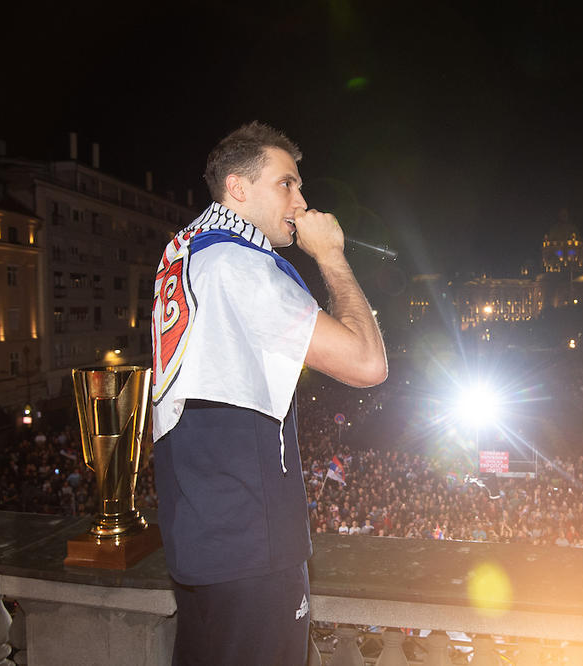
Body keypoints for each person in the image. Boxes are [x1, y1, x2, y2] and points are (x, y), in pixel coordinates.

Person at [150, 121, 387, 666]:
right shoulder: (239, 265)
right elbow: (367, 362)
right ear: (238, 188)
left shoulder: (183, 255)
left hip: (202, 533)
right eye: (288, 183)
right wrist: (330, 256)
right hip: (251, 541)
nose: (302, 202)